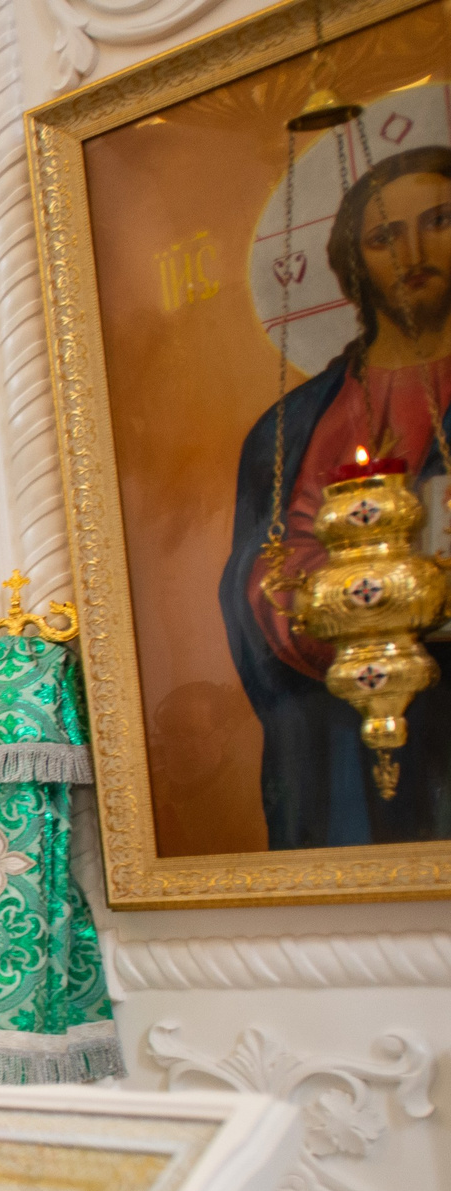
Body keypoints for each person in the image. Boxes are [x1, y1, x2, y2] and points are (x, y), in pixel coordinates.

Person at [220, 146, 451, 850]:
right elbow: (250, 575)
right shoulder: (287, 428)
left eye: (438, 220)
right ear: (355, 262)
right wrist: (304, 607)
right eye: (383, 236)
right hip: (329, 731)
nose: (411, 250)